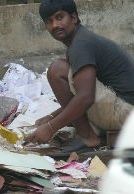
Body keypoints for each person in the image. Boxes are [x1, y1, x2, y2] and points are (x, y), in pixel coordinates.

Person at [27, 0, 134, 152]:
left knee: (58, 69)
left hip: (125, 112)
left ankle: (88, 137)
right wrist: (51, 117)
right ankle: (88, 132)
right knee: (65, 72)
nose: (55, 25)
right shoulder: (80, 40)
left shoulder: (81, 44)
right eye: (49, 21)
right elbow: (80, 91)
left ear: (74, 18)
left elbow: (86, 97)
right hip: (123, 110)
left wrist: (50, 128)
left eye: (59, 17)